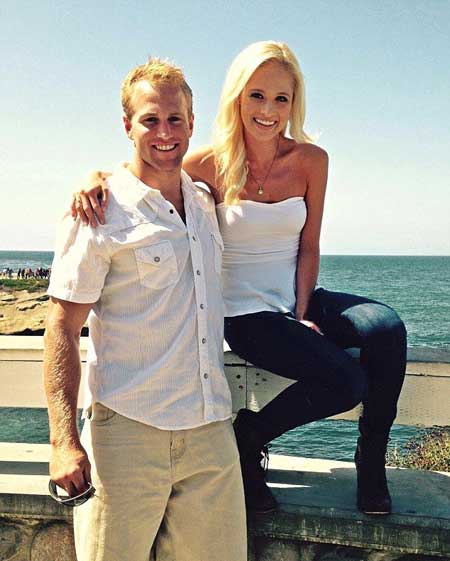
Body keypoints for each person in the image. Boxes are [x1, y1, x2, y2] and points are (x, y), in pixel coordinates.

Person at [71, 41, 407, 516]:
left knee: (387, 328)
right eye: (257, 95)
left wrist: (302, 313)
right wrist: (93, 176)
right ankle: (249, 435)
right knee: (347, 381)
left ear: (294, 103)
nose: (268, 110)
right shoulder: (207, 163)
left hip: (296, 299)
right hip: (244, 313)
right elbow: (143, 167)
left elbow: (309, 245)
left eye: (281, 98)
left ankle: (371, 459)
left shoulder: (312, 160)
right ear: (237, 97)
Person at [44, 58, 246, 561]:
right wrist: (64, 442)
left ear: (192, 124)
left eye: (175, 119)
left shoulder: (205, 200)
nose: (164, 132)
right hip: (127, 435)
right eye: (150, 120)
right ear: (127, 125)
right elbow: (62, 326)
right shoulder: (99, 210)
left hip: (209, 430)